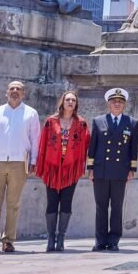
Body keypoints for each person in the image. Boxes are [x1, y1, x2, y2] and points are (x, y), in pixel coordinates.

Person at [0, 81, 40, 254]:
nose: (15, 91)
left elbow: (35, 139)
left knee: (14, 204)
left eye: (18, 89)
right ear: (6, 92)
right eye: (12, 89)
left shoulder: (31, 113)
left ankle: (9, 240)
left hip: (19, 162)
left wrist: (34, 161)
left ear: (24, 93)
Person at [35, 91, 90, 252]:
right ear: (62, 102)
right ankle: (51, 238)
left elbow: (87, 145)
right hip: (52, 167)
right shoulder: (51, 122)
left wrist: (85, 165)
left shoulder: (81, 123)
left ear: (76, 104)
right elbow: (42, 143)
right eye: (68, 99)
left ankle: (61, 238)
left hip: (71, 168)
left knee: (66, 202)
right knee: (52, 202)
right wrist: (40, 165)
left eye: (73, 100)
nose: (70, 102)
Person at [87, 88, 138, 252]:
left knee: (117, 206)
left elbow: (133, 148)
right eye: (114, 102)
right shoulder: (98, 120)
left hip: (120, 171)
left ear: (124, 105)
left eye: (120, 102)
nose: (117, 104)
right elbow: (93, 145)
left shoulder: (131, 122)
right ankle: (100, 240)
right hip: (101, 170)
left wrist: (132, 169)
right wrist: (90, 167)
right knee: (101, 206)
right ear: (109, 104)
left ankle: (114, 239)